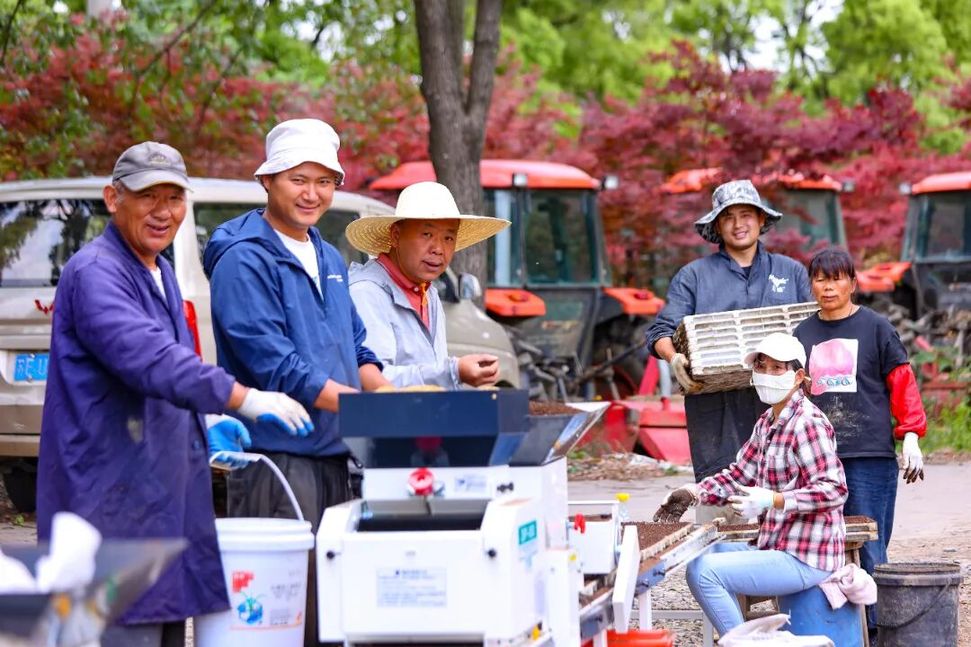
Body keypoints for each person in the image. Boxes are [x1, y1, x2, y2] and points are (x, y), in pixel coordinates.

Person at [36, 142, 313, 647]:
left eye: (174, 197)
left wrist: (202, 424)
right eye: (148, 197)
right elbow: (148, 359)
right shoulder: (96, 272)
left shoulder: (160, 270)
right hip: (107, 509)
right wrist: (241, 397)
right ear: (113, 198)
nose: (164, 212)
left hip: (159, 503)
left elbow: (170, 369)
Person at [203, 119, 390, 646]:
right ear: (268, 182)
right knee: (283, 619)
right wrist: (361, 408)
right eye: (298, 179)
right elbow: (276, 366)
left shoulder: (328, 255)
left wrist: (392, 399)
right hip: (277, 459)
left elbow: (357, 346)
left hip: (336, 452)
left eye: (325, 182)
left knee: (332, 614)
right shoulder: (243, 259)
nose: (313, 194)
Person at [654, 332, 848, 637]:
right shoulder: (767, 423)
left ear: (798, 377)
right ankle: (750, 640)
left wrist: (775, 500)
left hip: (806, 556)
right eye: (761, 367)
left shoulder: (807, 423)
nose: (767, 375)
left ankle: (743, 643)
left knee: (706, 574)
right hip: (776, 545)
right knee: (702, 559)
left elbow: (833, 490)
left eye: (777, 368)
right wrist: (693, 492)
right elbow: (738, 475)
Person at [646, 179, 812, 522]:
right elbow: (660, 331)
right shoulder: (694, 276)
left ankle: (781, 564)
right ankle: (723, 564)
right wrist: (674, 358)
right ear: (717, 226)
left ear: (761, 219)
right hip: (714, 404)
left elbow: (812, 328)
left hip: (779, 399)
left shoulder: (791, 272)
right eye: (729, 217)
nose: (739, 224)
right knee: (721, 499)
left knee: (785, 483)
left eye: (747, 214)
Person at [794, 246, 927, 638]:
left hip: (869, 457)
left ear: (852, 283)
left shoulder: (877, 328)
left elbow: (903, 385)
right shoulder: (802, 335)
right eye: (820, 278)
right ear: (812, 285)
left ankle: (879, 631)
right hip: (817, 462)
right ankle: (836, 632)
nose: (828, 286)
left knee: (870, 549)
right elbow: (792, 398)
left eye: (837, 278)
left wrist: (912, 438)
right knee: (820, 548)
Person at [345, 181, 509, 388]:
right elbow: (375, 380)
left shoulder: (427, 292)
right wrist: (454, 371)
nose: (438, 249)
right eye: (427, 235)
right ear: (396, 236)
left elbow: (432, 369)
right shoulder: (366, 293)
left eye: (448, 238)